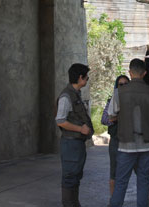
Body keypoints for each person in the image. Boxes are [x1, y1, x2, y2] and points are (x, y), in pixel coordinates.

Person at [108, 59, 149, 207]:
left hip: (126, 144)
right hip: (148, 144)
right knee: (143, 181)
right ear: (144, 73)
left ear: (130, 72)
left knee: (121, 182)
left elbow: (111, 115)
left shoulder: (119, 93)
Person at [55, 63, 93, 207]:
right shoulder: (66, 96)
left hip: (77, 144)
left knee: (76, 176)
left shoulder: (75, 94)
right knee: (70, 177)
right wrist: (80, 129)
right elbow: (60, 121)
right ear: (80, 78)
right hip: (70, 143)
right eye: (86, 77)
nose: (87, 80)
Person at [103, 75, 130, 196]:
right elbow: (105, 119)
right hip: (116, 139)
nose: (123, 87)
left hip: (130, 140)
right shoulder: (112, 100)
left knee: (139, 172)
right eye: (120, 84)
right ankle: (113, 201)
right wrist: (119, 117)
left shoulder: (133, 100)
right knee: (114, 171)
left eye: (126, 84)